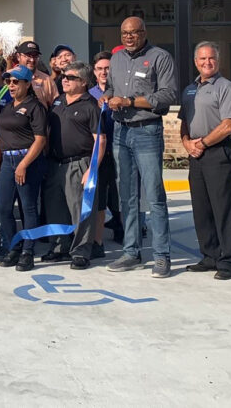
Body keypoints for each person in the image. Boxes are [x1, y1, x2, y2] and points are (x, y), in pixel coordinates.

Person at [103, 16, 179, 278]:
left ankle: (161, 256)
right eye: (125, 33)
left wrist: (130, 101)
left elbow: (169, 95)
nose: (129, 37)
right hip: (120, 132)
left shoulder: (160, 57)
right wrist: (108, 94)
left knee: (155, 195)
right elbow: (112, 86)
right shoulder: (116, 59)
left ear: (144, 33)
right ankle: (131, 252)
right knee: (127, 195)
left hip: (147, 130)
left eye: (134, 33)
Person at [179, 41, 231, 280]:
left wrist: (203, 143)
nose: (207, 63)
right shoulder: (189, 89)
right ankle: (210, 255)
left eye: (211, 58)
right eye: (202, 59)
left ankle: (228, 260)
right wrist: (187, 143)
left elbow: (227, 126)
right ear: (196, 62)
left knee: (222, 208)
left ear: (218, 60)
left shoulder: (226, 87)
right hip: (196, 153)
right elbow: (184, 121)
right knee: (201, 208)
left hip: (217, 152)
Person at [43, 62, 105, 269]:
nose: (65, 80)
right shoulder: (58, 101)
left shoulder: (90, 105)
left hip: (79, 163)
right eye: (64, 77)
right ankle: (60, 247)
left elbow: (100, 140)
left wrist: (92, 169)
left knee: (81, 211)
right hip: (54, 164)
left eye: (70, 77)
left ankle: (80, 252)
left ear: (84, 82)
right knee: (56, 209)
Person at [0, 65, 48, 272]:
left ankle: (28, 251)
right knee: (4, 207)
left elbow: (40, 139)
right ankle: (13, 246)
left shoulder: (35, 107)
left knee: (28, 207)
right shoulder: (7, 106)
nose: (11, 85)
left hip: (28, 161)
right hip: (7, 162)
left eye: (16, 82)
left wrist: (24, 164)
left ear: (27, 83)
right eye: (8, 81)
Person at [89, 51, 123, 247]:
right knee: (100, 196)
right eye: (100, 69)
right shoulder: (90, 95)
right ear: (94, 72)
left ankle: (121, 228)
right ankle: (97, 240)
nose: (103, 72)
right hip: (99, 153)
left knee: (119, 194)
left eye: (107, 68)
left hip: (119, 150)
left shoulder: (120, 92)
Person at [14, 41, 58, 107]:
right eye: (28, 55)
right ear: (18, 56)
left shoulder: (47, 80)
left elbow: (56, 107)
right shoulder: (8, 76)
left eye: (35, 56)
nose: (32, 60)